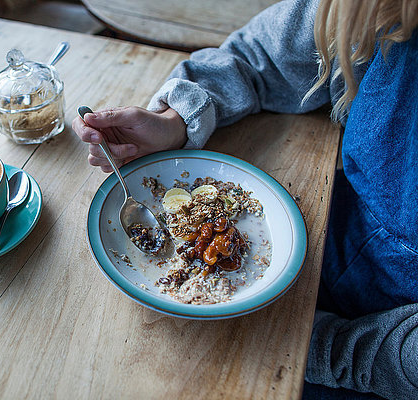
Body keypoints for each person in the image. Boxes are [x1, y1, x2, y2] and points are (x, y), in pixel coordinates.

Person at [72, 0, 418, 398]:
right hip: (335, 222)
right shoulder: (380, 9)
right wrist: (178, 121)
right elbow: (261, 55)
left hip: (377, 362)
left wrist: (312, 341)